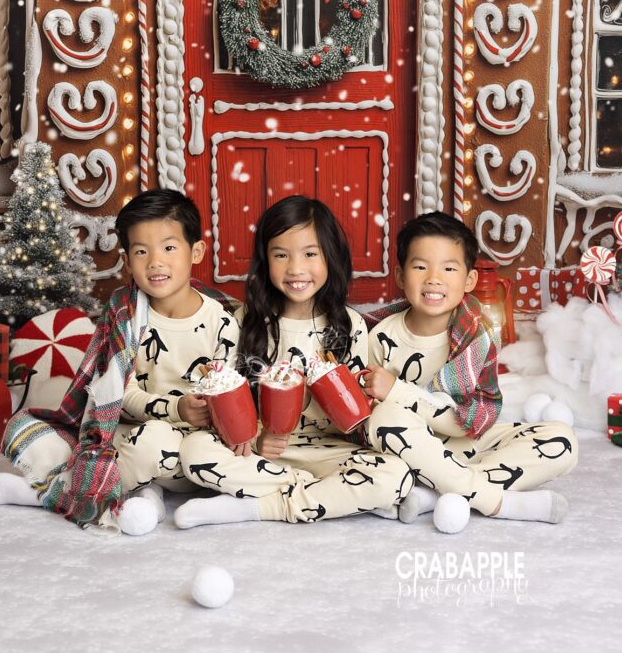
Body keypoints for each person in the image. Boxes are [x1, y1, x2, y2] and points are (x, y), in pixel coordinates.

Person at [0, 189, 238, 536]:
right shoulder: (126, 314)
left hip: (186, 448)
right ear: (128, 261)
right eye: (141, 251)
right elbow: (116, 393)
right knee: (37, 433)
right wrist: (175, 407)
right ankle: (141, 493)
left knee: (161, 444)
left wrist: (204, 410)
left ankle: (55, 493)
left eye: (169, 247)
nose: (155, 262)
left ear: (197, 251)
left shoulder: (221, 322)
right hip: (126, 433)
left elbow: (230, 395)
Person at [173, 195, 412, 528]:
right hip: (260, 454)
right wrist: (257, 436)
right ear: (264, 261)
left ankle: (258, 507)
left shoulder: (350, 326)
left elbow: (354, 418)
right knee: (195, 451)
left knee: (396, 475)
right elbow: (228, 402)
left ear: (332, 258)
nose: (296, 269)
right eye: (281, 255)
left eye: (310, 254)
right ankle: (330, 495)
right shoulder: (245, 321)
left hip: (326, 450)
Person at [362, 211, 578, 526]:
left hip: (466, 444)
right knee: (384, 419)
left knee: (562, 440)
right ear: (400, 275)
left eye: (449, 268)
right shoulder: (380, 335)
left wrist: (396, 390)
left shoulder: (476, 335)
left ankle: (434, 493)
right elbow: (374, 424)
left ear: (469, 279)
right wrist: (390, 403)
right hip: (409, 450)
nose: (433, 278)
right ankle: (496, 501)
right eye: (420, 266)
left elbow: (466, 424)